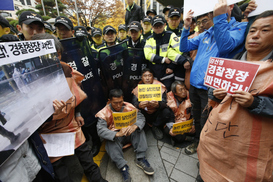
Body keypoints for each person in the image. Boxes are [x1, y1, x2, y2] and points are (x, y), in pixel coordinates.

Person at [198, 10, 273, 182]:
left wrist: (255, 103)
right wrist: (215, 94)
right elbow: (212, 92)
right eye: (253, 30)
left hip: (248, 152)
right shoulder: (233, 61)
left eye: (265, 30)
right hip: (215, 143)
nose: (255, 36)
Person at [179, 0, 250, 155]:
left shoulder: (239, 28)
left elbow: (226, 46)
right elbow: (183, 47)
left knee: (208, 122)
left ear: (230, 7)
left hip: (212, 89)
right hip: (195, 86)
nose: (205, 22)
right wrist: (186, 27)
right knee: (197, 118)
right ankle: (198, 143)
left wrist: (220, 18)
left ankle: (205, 151)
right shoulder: (205, 34)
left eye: (210, 16)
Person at [96, 89, 154, 182]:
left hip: (129, 132)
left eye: (120, 102)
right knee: (109, 142)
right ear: (109, 101)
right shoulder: (104, 112)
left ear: (123, 99)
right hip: (117, 136)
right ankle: (123, 167)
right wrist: (116, 134)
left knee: (139, 130)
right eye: (115, 103)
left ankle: (141, 158)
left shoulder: (129, 106)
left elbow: (141, 117)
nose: (118, 105)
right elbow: (100, 130)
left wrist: (135, 126)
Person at [144, 15, 191, 91]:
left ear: (165, 25)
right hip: (154, 72)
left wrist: (172, 66)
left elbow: (180, 50)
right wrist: (163, 59)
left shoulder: (170, 35)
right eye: (156, 26)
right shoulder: (149, 39)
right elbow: (147, 55)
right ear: (152, 27)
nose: (158, 28)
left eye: (160, 25)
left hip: (167, 73)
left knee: (168, 94)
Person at [132, 68, 174, 140]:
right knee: (136, 112)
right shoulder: (138, 88)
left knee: (167, 112)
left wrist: (158, 104)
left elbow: (165, 102)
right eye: (145, 76)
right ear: (142, 77)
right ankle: (145, 125)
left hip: (157, 112)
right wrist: (139, 105)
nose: (147, 78)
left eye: (149, 75)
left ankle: (155, 126)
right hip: (144, 112)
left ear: (153, 77)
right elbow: (133, 103)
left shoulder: (160, 86)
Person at [164, 81, 195, 146]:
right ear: (175, 93)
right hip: (174, 122)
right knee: (169, 131)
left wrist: (193, 125)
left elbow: (194, 113)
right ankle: (186, 138)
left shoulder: (191, 96)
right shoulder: (169, 99)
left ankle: (181, 138)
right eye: (180, 90)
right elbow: (168, 117)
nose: (184, 91)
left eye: (184, 88)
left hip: (187, 122)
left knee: (197, 129)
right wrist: (172, 128)